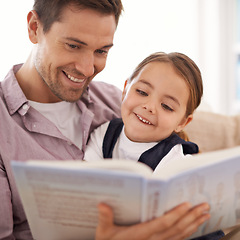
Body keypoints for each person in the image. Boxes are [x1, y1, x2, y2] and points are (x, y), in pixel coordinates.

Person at [0, 0, 212, 239]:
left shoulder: (116, 102)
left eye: (101, 51)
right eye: (73, 45)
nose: (88, 68)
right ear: (34, 27)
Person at [85, 52, 201, 172]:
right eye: (142, 92)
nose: (149, 106)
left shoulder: (175, 163)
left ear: (182, 122)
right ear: (125, 90)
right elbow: (85, 178)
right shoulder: (104, 134)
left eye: (166, 106)